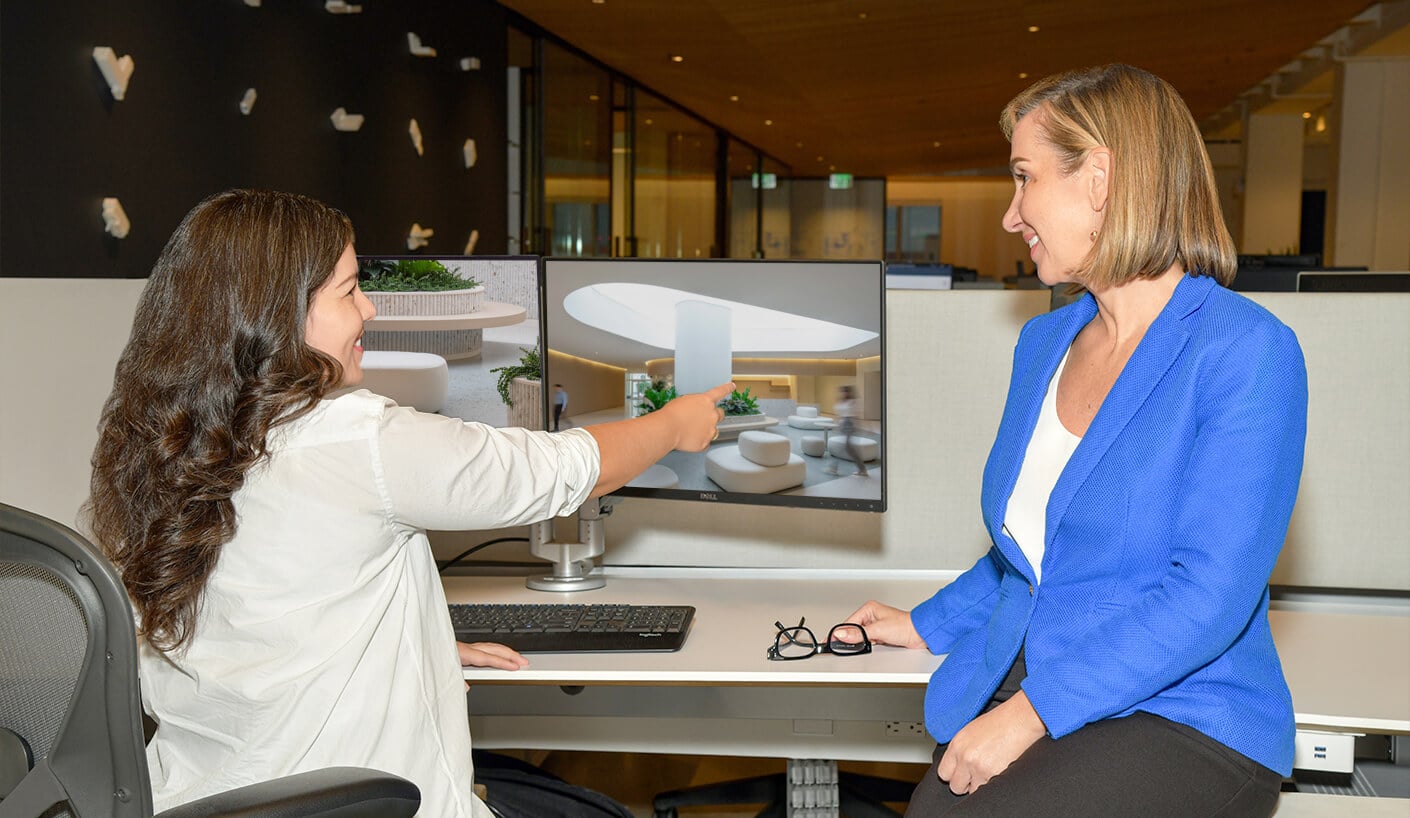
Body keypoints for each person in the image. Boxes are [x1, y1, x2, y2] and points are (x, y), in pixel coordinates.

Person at [83, 189, 733, 817]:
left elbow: (250, 620)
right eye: (349, 291)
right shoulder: (356, 439)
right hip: (360, 806)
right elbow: (557, 470)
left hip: (202, 801)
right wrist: (676, 425)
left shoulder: (161, 449)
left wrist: (414, 641)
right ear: (279, 314)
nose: (369, 310)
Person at [846, 64, 1307, 817]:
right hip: (1049, 677)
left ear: (1099, 178)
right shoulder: (1046, 341)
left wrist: (1026, 716)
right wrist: (926, 623)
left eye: (1025, 179)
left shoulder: (1243, 351)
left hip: (1185, 710)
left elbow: (1210, 595)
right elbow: (1030, 551)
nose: (1011, 214)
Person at [831, 384, 868, 477]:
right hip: (843, 424)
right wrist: (837, 425)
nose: (844, 393)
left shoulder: (853, 402)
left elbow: (856, 415)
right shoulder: (841, 402)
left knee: (846, 447)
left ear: (849, 392)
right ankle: (861, 469)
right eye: (843, 392)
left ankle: (834, 468)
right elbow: (838, 414)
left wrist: (859, 427)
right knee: (845, 448)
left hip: (850, 425)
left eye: (846, 391)